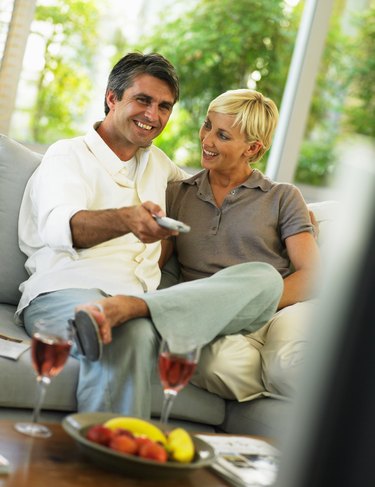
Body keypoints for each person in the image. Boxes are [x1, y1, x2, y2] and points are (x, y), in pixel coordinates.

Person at [17, 53, 283, 418]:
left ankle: (138, 309)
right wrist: (127, 219)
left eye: (164, 107)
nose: (153, 116)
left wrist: (280, 211)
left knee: (265, 280)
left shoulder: (159, 164)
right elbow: (62, 227)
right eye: (143, 100)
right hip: (65, 293)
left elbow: (216, 181)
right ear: (112, 97)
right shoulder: (67, 156)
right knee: (130, 333)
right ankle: (114, 465)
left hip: (145, 304)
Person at [74, 88, 319, 404]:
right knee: (216, 366)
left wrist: (249, 303)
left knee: (286, 364)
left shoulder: (282, 197)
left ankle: (136, 309)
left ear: (253, 148)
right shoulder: (179, 194)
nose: (207, 140)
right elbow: (154, 261)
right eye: (207, 126)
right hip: (214, 320)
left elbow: (311, 274)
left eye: (223, 135)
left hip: (280, 308)